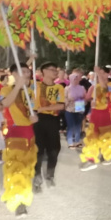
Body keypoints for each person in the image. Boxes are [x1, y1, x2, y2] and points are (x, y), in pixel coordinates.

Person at [1, 62, 38, 217]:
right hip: (15, 132)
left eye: (27, 72)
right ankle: (19, 202)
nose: (26, 74)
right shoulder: (7, 89)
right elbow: (5, 104)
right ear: (14, 74)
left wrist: (34, 116)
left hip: (29, 133)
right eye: (22, 71)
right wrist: (18, 86)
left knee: (28, 168)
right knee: (16, 168)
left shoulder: (30, 91)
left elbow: (33, 110)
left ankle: (18, 192)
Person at [33, 62, 65, 192]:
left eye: (56, 70)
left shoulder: (58, 88)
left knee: (54, 149)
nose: (55, 72)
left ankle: (50, 174)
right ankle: (37, 175)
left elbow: (60, 105)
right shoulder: (35, 86)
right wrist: (31, 59)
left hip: (52, 120)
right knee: (38, 150)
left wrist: (43, 108)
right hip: (37, 121)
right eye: (52, 70)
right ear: (43, 71)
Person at [79, 66, 111, 171]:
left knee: (106, 135)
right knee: (92, 136)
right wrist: (92, 101)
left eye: (102, 73)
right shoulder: (94, 86)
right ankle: (91, 159)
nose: (99, 75)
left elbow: (105, 89)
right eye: (97, 73)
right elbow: (92, 98)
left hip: (105, 112)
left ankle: (109, 156)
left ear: (107, 74)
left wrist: (98, 73)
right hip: (95, 113)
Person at [64, 73, 86, 149]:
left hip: (79, 107)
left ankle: (77, 141)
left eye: (77, 79)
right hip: (69, 108)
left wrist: (82, 99)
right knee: (70, 126)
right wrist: (69, 100)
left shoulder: (82, 88)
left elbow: (85, 97)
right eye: (74, 79)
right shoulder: (67, 88)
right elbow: (65, 98)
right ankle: (70, 142)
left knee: (77, 126)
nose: (76, 80)